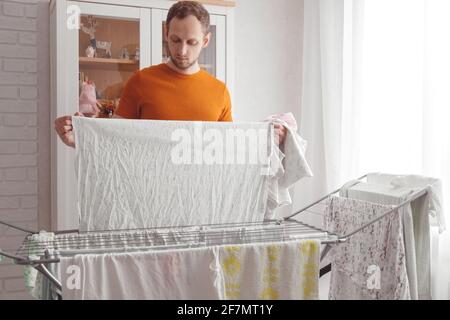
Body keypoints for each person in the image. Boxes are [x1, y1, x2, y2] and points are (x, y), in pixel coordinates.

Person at [54, 1, 287, 147]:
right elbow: (114, 140)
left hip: (201, 204)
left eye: (191, 42)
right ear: (166, 33)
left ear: (206, 41)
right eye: (175, 40)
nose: (182, 51)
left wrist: (268, 141)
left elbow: (227, 149)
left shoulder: (219, 92)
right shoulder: (141, 81)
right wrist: (79, 139)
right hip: (149, 199)